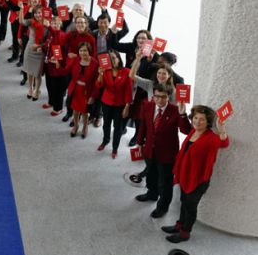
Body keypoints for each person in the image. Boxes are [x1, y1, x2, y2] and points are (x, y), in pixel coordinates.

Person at [163, 105, 230, 243]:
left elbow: (224, 143)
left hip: (198, 180)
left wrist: (222, 130)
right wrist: (182, 114)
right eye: (195, 118)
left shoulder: (211, 138)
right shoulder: (193, 131)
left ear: (208, 122)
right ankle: (179, 225)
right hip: (185, 175)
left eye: (202, 119)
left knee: (190, 207)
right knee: (183, 202)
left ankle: (185, 233)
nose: (197, 121)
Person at [135, 84, 192, 219]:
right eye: (157, 96)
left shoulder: (175, 110)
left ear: (168, 97)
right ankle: (151, 193)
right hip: (149, 149)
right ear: (153, 96)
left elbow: (186, 131)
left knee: (165, 182)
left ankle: (162, 207)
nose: (160, 100)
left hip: (167, 153)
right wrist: (139, 142)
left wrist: (183, 114)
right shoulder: (148, 106)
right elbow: (143, 125)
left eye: (163, 97)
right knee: (151, 173)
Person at [95, 49, 133, 158]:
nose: (112, 60)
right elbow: (98, 86)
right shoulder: (105, 71)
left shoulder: (126, 71)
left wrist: (127, 106)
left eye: (113, 58)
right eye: (109, 58)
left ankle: (115, 148)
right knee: (106, 124)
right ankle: (105, 141)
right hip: (106, 102)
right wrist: (100, 74)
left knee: (118, 128)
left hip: (120, 105)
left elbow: (129, 90)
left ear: (118, 59)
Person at [55, 42, 98, 138]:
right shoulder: (75, 60)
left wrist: (93, 96)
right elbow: (65, 71)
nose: (83, 53)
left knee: (85, 112)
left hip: (87, 91)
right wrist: (58, 65)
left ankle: (85, 127)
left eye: (85, 50)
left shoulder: (95, 63)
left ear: (89, 51)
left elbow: (96, 82)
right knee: (75, 110)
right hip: (75, 89)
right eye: (81, 50)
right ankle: (76, 125)